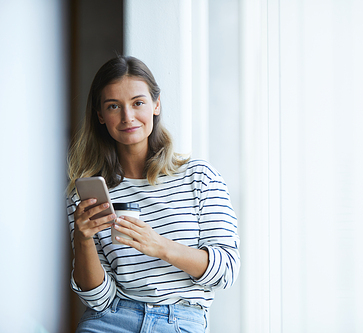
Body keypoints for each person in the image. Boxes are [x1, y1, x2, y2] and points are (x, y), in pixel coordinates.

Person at [66, 56, 240, 333]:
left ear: (156, 105)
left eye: (138, 103)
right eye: (113, 106)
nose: (128, 117)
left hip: (180, 320)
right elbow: (97, 298)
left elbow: (226, 271)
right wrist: (82, 238)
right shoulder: (87, 195)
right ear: (100, 115)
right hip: (111, 319)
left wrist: (158, 245)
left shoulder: (199, 177)